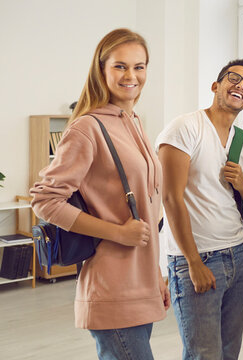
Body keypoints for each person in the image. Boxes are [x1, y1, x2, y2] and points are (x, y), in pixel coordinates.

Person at [31, 28, 169, 359]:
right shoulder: (87, 128)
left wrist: (158, 277)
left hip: (142, 283)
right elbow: (44, 201)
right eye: (120, 66)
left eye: (140, 66)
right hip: (111, 288)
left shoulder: (134, 121)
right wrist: (118, 232)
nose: (131, 75)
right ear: (101, 69)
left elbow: (148, 210)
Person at [156, 58, 243, 360]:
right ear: (215, 85)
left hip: (238, 255)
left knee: (229, 353)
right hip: (197, 258)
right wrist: (193, 262)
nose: (240, 85)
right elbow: (170, 199)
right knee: (203, 354)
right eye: (233, 78)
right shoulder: (185, 128)